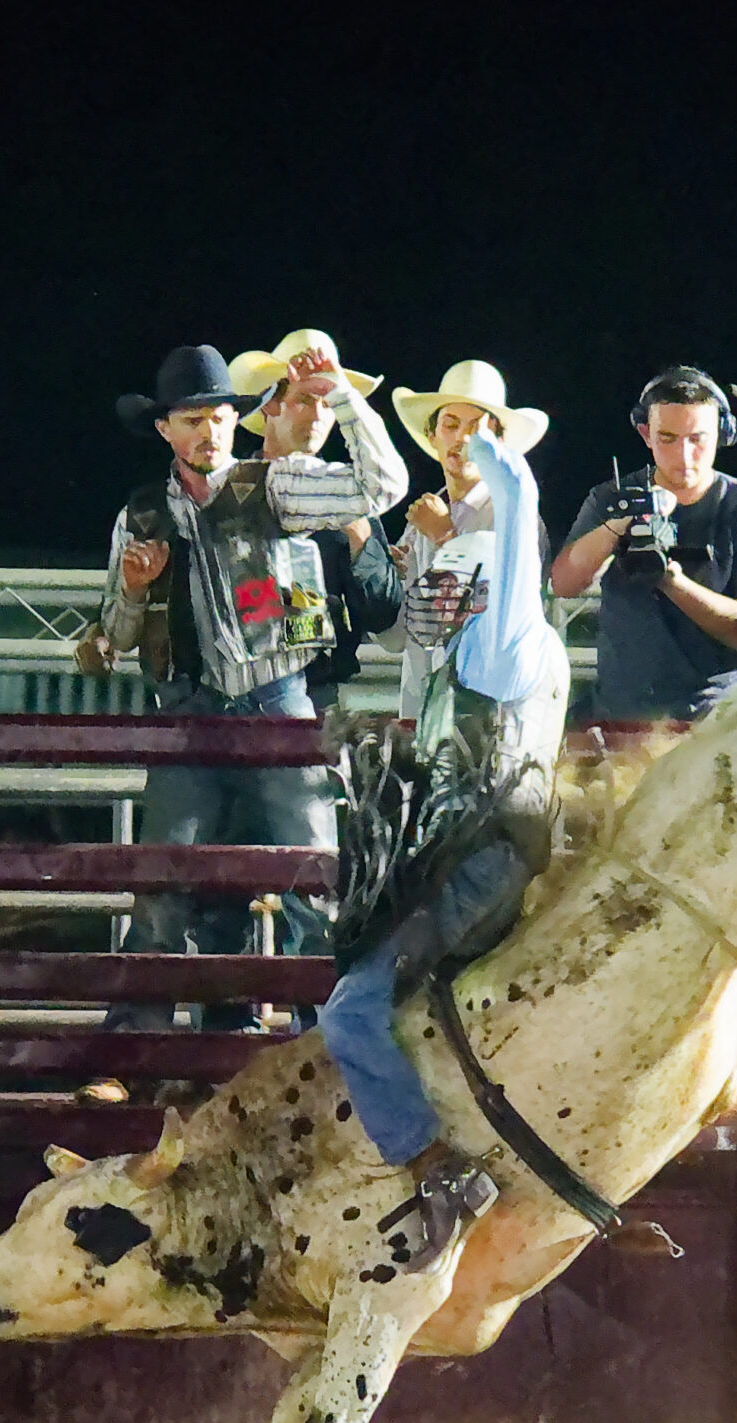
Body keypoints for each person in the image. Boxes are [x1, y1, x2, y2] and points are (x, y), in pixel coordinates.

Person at [93, 340, 407, 1028]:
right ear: (166, 429)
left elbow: (382, 488)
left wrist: (345, 396)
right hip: (193, 708)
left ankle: (326, 1041)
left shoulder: (274, 483)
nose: (209, 432)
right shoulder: (143, 514)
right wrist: (133, 593)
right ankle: (136, 1047)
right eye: (193, 420)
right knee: (164, 884)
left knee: (310, 879)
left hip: (275, 697)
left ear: (237, 422)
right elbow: (116, 636)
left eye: (219, 418)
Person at [318, 422, 569, 1269]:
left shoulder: (507, 645)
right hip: (475, 846)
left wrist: (503, 470)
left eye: (462, 583)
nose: (445, 595)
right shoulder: (477, 655)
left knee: (353, 1010)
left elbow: (519, 523)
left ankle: (437, 1172)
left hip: (481, 851)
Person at [549, 366, 737, 720]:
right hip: (621, 713)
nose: (684, 456)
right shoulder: (612, 498)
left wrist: (672, 581)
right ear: (646, 434)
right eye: (668, 439)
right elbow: (564, 583)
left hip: (718, 718)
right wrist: (620, 521)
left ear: (721, 434)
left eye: (697, 439)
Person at [230, 330, 402, 710]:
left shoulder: (348, 496)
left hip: (317, 693)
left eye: (329, 404)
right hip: (232, 690)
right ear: (270, 405)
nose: (320, 415)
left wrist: (361, 547)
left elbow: (383, 614)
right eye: (306, 400)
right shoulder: (231, 488)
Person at [386, 360, 548, 720]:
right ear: (433, 436)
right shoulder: (424, 519)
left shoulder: (516, 520)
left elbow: (506, 617)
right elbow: (396, 637)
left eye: (476, 428)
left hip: (487, 716)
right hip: (421, 713)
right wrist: (383, 577)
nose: (461, 438)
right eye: (451, 425)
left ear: (498, 441)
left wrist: (446, 537)